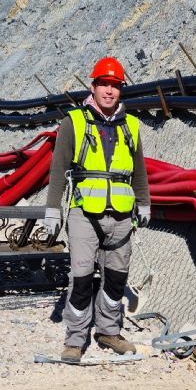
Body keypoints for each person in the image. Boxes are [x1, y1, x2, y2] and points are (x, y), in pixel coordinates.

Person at [42, 57, 151, 363]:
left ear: (121, 90)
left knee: (116, 277)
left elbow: (139, 170)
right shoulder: (73, 122)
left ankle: (108, 332)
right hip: (83, 214)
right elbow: (58, 168)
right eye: (104, 84)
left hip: (120, 214)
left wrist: (144, 202)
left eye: (115, 85)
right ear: (93, 86)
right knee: (81, 276)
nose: (109, 91)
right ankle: (75, 340)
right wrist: (53, 209)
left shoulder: (131, 125)